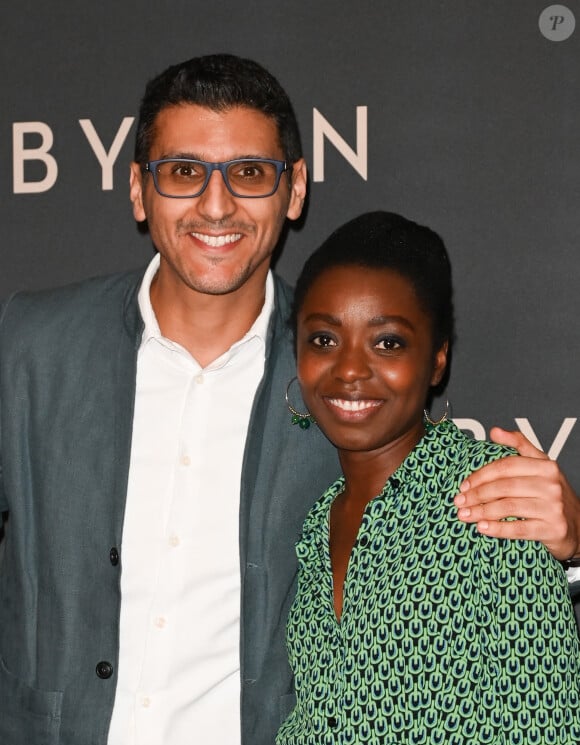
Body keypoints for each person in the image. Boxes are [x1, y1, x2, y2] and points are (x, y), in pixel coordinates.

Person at [0, 54, 578, 745]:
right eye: (184, 172)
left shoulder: (340, 382)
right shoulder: (27, 344)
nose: (217, 205)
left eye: (249, 173)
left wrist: (569, 540)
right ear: (138, 190)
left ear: (295, 189)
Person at [277, 211, 580, 745]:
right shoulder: (316, 523)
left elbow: (545, 723)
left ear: (437, 359)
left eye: (387, 342)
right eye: (323, 339)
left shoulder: (490, 501)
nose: (348, 369)